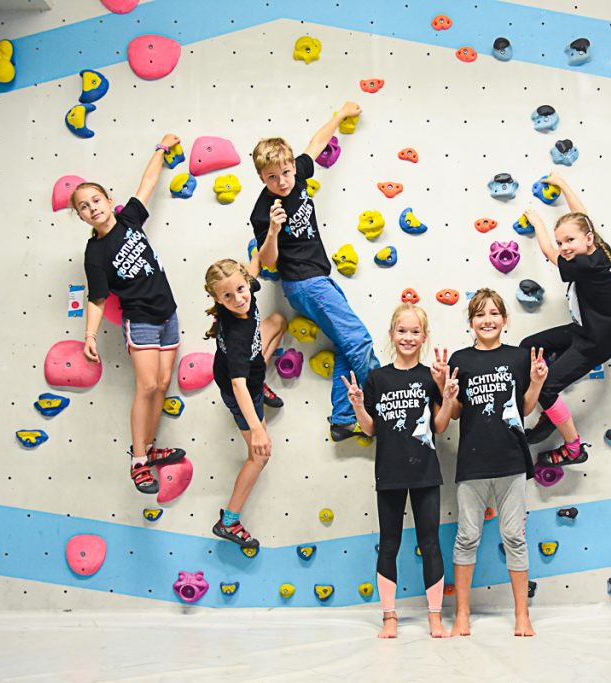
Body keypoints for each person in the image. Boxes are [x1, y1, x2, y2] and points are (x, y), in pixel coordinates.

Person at [249, 102, 379, 442]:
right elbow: (266, 262)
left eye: (286, 173)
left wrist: (338, 116)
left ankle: (342, 418)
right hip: (304, 284)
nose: (281, 182)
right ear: (261, 178)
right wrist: (274, 232)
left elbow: (315, 144)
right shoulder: (263, 211)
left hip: (320, 279)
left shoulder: (299, 174)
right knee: (359, 341)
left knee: (345, 347)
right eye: (272, 178)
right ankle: (391, 400)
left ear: (293, 166)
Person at [76, 133, 187, 494]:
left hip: (168, 313)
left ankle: (152, 448)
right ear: (80, 216)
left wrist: (160, 149)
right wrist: (90, 336)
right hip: (140, 320)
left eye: (96, 200)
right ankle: (138, 459)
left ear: (109, 200)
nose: (93, 208)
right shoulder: (95, 253)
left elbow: (149, 182)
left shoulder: (129, 220)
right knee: (148, 386)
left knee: (163, 382)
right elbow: (96, 299)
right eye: (84, 206)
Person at [434, 289, 549, 637]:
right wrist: (445, 390)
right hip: (472, 462)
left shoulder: (518, 358)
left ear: (504, 320)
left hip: (511, 460)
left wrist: (538, 382)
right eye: (480, 315)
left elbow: (525, 409)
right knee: (467, 536)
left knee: (514, 536)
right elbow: (453, 414)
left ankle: (521, 616)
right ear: (470, 322)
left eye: (494, 313)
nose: (488, 320)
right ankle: (462, 616)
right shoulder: (460, 359)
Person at [342, 304, 452, 638]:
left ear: (424, 337)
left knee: (430, 543)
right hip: (389, 473)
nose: (408, 337)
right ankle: (389, 617)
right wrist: (359, 406)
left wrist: (446, 396)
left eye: (414, 332)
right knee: (389, 544)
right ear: (391, 335)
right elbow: (371, 430)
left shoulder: (429, 377)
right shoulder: (378, 378)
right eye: (402, 331)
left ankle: (435, 616)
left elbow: (440, 426)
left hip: (425, 473)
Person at [519, 171, 611, 467]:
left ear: (586, 239)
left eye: (569, 240)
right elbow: (581, 215)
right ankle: (552, 398)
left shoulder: (585, 264)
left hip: (597, 341)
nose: (564, 248)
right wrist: (564, 185)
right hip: (585, 330)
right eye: (562, 242)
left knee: (546, 387)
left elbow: (548, 252)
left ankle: (573, 447)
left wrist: (538, 224)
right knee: (528, 346)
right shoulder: (599, 247)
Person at [203, 258, 287, 551]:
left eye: (241, 289)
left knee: (278, 322)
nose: (239, 299)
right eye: (228, 296)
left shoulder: (244, 287)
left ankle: (260, 380)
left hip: (246, 372)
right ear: (216, 298)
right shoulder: (238, 337)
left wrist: (273, 232)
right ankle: (229, 520)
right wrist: (258, 430)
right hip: (241, 389)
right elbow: (238, 386)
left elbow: (253, 266)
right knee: (260, 455)